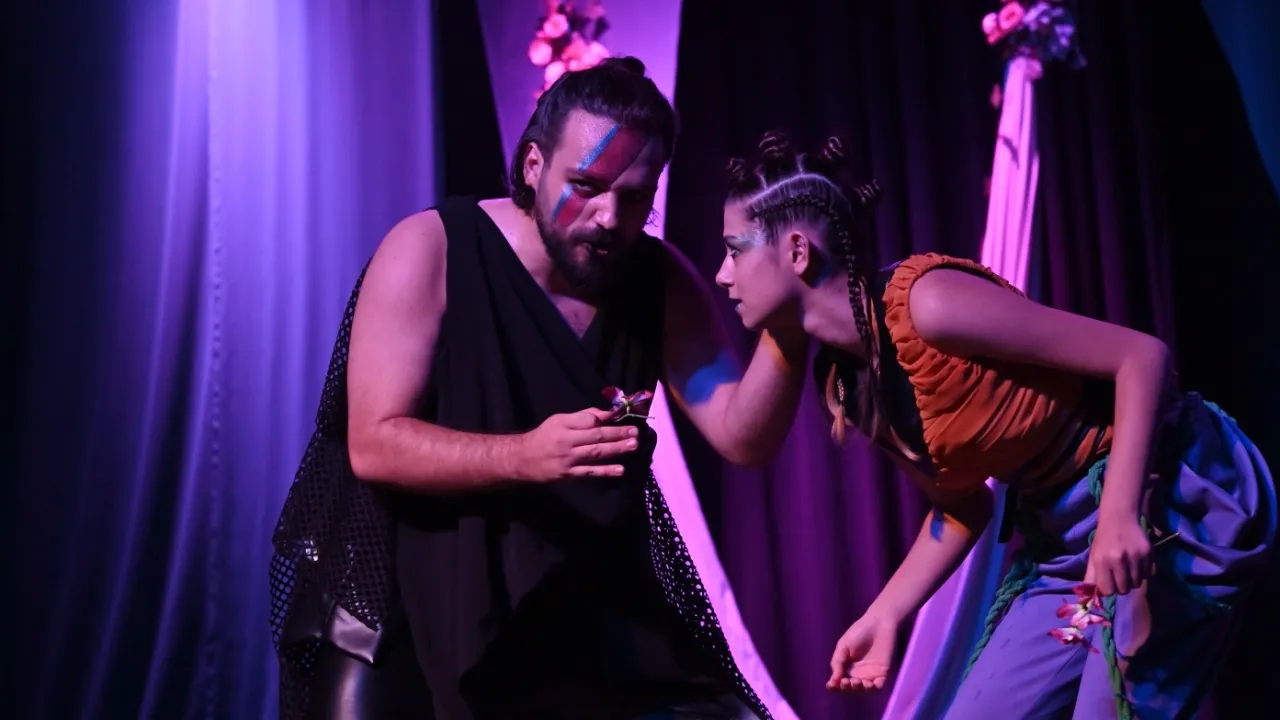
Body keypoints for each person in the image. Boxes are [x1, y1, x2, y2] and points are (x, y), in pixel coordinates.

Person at [269, 58, 809, 720]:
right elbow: (374, 444)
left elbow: (741, 434)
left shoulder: (655, 277)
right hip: (408, 605)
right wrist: (526, 455)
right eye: (586, 186)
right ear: (532, 165)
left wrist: (791, 325)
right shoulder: (430, 248)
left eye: (636, 196)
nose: (609, 217)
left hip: (575, 609)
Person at [713, 131, 1276, 718]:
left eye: (735, 250)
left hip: (1162, 497)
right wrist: (885, 614)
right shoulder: (849, 381)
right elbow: (960, 506)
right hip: (1066, 549)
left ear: (797, 252)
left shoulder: (928, 304)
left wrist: (1117, 514)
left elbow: (1142, 357)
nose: (724, 275)